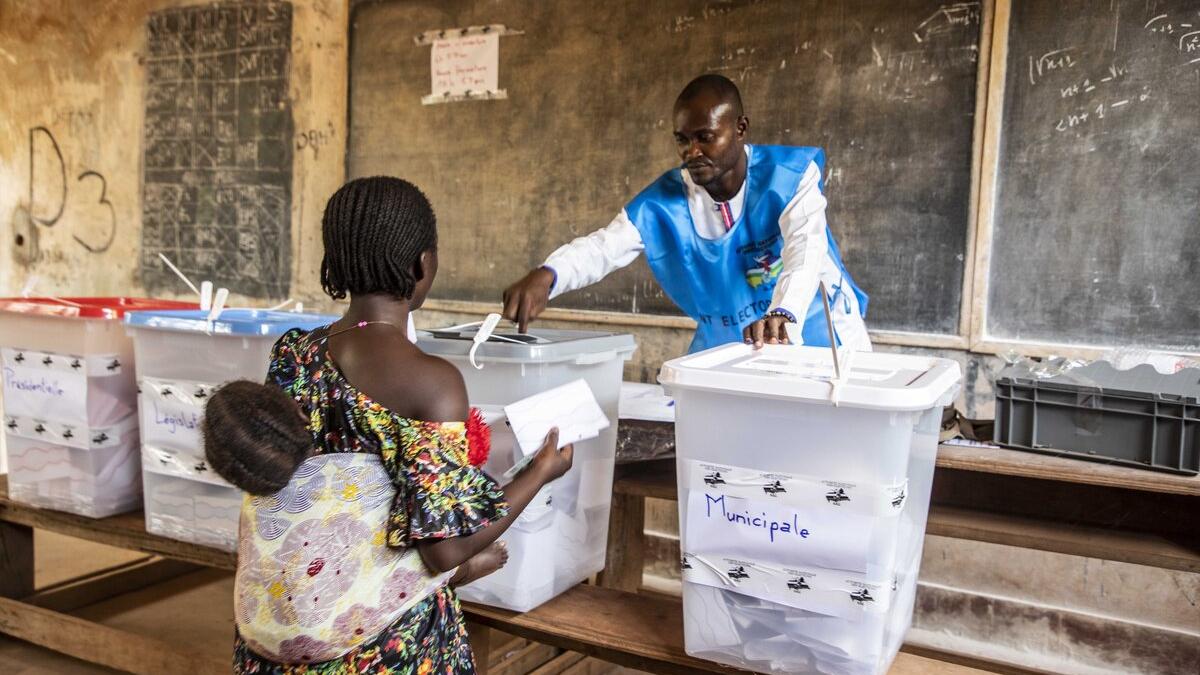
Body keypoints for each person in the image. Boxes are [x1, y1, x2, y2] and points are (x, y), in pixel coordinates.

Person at [204, 176, 574, 674]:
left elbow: (329, 516)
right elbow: (446, 549)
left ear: (334, 261)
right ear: (423, 264)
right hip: (381, 652)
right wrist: (540, 473)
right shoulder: (433, 384)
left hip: (287, 630)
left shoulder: (293, 354)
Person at [502, 74, 870, 354]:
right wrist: (549, 274)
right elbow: (602, 248)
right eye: (682, 139)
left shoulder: (789, 175)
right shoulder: (663, 203)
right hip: (735, 346)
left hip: (823, 335)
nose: (691, 152)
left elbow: (805, 250)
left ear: (740, 128)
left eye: (705, 137)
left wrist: (785, 313)